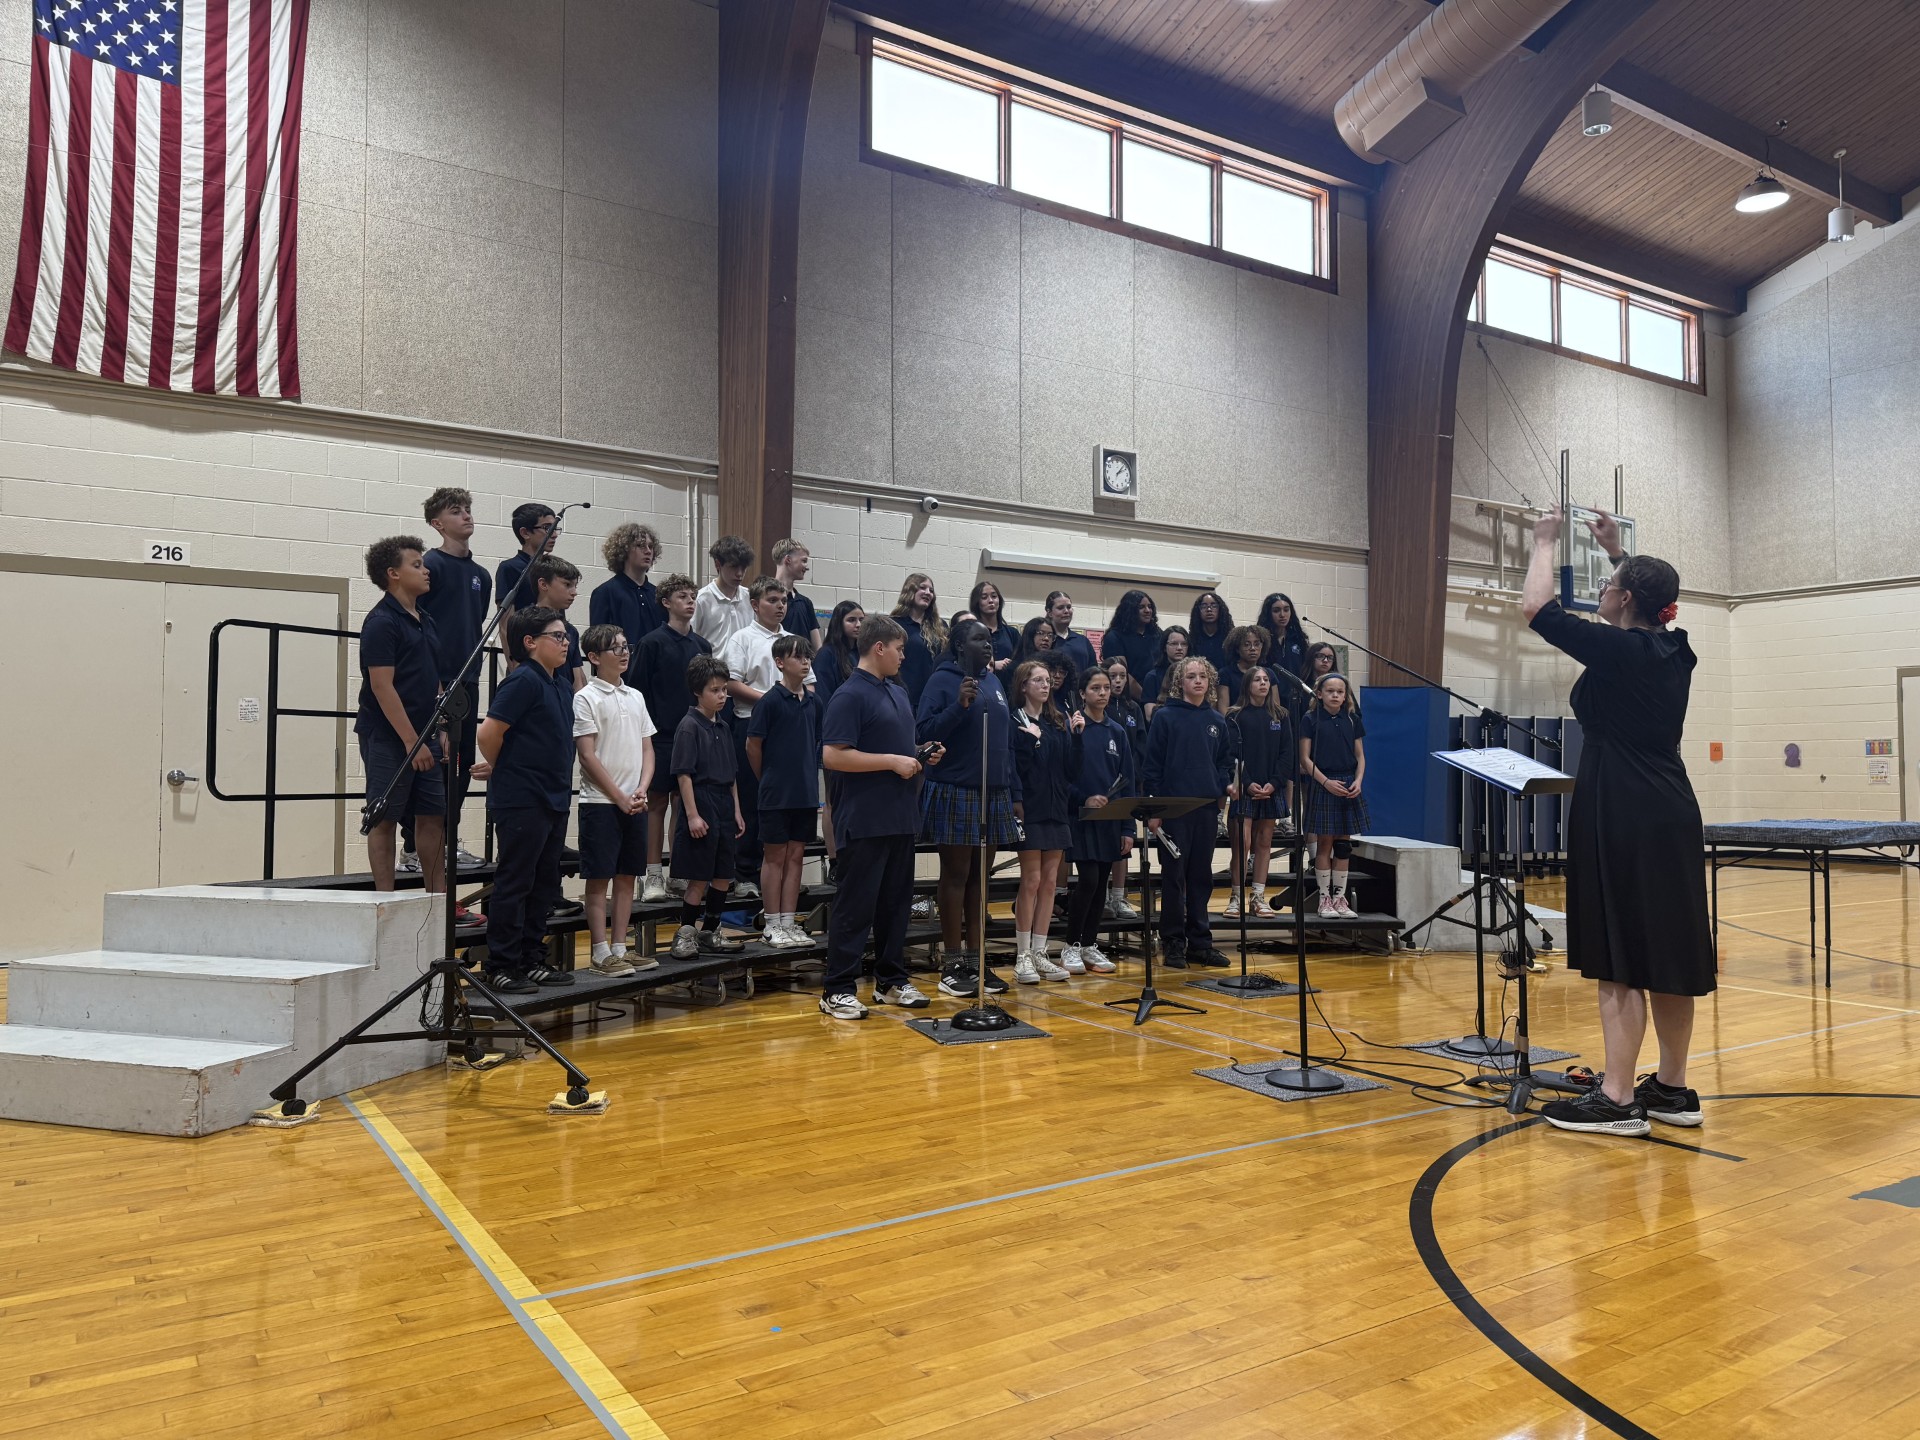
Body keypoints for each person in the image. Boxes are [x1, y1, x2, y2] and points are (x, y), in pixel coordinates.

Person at [1523, 509, 1711, 1138]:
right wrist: (1615, 553)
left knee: (1621, 957)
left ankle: (1617, 1098)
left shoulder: (1622, 650)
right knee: (1669, 953)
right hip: (1670, 809)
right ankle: (1673, 1090)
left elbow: (1537, 609)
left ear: (1626, 599)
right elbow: (1641, 602)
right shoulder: (1671, 647)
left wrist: (1545, 542)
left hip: (1622, 808)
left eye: (1609, 586)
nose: (1602, 592)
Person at [819, 615, 940, 1019]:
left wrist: (920, 753)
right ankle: (837, 988)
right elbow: (833, 755)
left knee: (896, 906)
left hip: (901, 816)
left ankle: (891, 980)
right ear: (879, 648)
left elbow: (898, 748)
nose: (904, 656)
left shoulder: (898, 692)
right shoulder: (849, 695)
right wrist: (891, 761)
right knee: (856, 907)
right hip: (865, 818)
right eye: (900, 649)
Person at [474, 606, 577, 994]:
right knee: (515, 882)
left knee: (543, 883)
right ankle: (501, 964)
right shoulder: (522, 681)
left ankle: (532, 958)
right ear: (530, 642)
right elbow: (488, 733)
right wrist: (504, 766)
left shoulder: (560, 684)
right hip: (522, 798)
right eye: (557, 636)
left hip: (554, 798)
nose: (565, 643)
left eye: (566, 636)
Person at [916, 619, 1017, 999]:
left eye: (990, 640)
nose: (988, 645)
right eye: (979, 639)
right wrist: (958, 706)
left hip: (994, 791)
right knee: (956, 875)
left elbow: (1006, 741)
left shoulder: (995, 682)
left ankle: (977, 959)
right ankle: (952, 961)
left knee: (980, 879)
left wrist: (1014, 789)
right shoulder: (941, 681)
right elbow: (924, 732)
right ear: (960, 646)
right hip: (956, 789)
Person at [356, 537, 446, 897]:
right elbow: (382, 686)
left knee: (432, 814)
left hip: (425, 734)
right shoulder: (381, 622)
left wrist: (440, 728)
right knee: (385, 816)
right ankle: (385, 901)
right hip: (390, 736)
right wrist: (412, 741)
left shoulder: (426, 619)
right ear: (393, 574)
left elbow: (434, 678)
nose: (426, 570)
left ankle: (437, 899)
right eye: (417, 565)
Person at [573, 624, 657, 977]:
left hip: (634, 802)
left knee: (626, 877)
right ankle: (600, 952)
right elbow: (587, 755)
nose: (624, 653)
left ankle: (621, 947)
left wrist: (642, 788)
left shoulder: (635, 696)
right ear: (594, 657)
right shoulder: (586, 697)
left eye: (626, 646)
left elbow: (648, 749)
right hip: (600, 803)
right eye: (615, 648)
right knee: (599, 878)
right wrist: (619, 797)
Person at [1138, 657, 1233, 969]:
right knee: (1174, 879)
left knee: (1201, 877)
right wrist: (1155, 809)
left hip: (1205, 810)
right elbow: (1152, 766)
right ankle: (1173, 942)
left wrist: (1224, 786)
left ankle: (1200, 943)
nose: (1198, 681)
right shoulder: (1165, 717)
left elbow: (1223, 762)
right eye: (1191, 676)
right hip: (1174, 810)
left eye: (1202, 676)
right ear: (1181, 682)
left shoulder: (1217, 721)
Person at [416, 488, 489, 876]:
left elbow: (474, 622)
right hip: (437, 681)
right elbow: (422, 623)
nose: (466, 516)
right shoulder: (431, 565)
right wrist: (435, 682)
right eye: (456, 511)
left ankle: (448, 841)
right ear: (437, 523)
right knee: (434, 764)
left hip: (468, 680)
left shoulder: (481, 575)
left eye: (468, 510)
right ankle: (415, 847)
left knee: (461, 765)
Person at [631, 573, 711, 903]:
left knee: (683, 802)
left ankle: (678, 870)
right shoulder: (651, 643)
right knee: (656, 803)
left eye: (693, 596)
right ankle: (652, 874)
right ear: (666, 602)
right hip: (660, 736)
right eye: (682, 596)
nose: (690, 602)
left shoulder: (702, 647)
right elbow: (636, 691)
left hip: (692, 737)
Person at [667, 656, 748, 960]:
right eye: (715, 690)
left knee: (723, 875)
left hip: (724, 803)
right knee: (699, 876)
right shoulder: (689, 726)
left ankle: (710, 931)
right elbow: (683, 775)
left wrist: (736, 810)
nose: (722, 695)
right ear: (697, 692)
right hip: (701, 801)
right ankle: (685, 933)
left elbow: (732, 775)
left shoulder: (723, 727)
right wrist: (692, 815)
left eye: (724, 689)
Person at [747, 634, 823, 948]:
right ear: (780, 662)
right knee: (775, 857)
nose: (805, 662)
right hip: (776, 794)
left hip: (805, 793)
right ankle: (772, 923)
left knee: (796, 857)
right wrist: (767, 778)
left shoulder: (815, 702)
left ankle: (790, 922)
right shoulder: (769, 702)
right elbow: (753, 746)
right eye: (797, 657)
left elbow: (815, 742)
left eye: (807, 657)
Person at [716, 576, 789, 901]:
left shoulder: (792, 641)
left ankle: (777, 874)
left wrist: (791, 701)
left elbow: (809, 683)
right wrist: (774, 700)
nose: (780, 606)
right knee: (751, 800)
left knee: (782, 803)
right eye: (773, 600)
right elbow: (732, 684)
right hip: (751, 725)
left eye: (783, 601)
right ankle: (744, 873)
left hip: (787, 730)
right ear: (755, 605)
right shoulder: (742, 638)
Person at [1009, 658, 1080, 983]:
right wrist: (1027, 740)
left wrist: (1078, 737)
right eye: (1038, 680)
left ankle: (1040, 952)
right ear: (1023, 685)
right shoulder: (1015, 721)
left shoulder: (1057, 721)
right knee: (1032, 880)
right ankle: (1022, 955)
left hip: (1057, 809)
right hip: (1031, 809)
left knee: (1051, 882)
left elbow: (1071, 770)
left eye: (1047, 681)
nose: (1045, 685)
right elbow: (1015, 768)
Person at [1062, 665, 1130, 976]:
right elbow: (1064, 776)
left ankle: (1089, 944)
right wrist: (1084, 799)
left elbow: (1127, 780)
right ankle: (1071, 945)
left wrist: (1127, 827)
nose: (1103, 693)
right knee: (1088, 880)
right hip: (1080, 817)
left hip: (1110, 820)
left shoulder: (1117, 732)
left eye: (1106, 688)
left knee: (1102, 882)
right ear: (1082, 693)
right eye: (1095, 688)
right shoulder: (1073, 728)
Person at [1224, 666, 1293, 920]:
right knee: (1241, 844)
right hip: (1245, 789)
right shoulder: (1235, 715)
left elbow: (1287, 753)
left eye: (1266, 680)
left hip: (1271, 788)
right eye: (1257, 680)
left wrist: (1274, 783)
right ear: (1247, 685)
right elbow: (1230, 754)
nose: (1263, 683)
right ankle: (1235, 897)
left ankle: (1258, 897)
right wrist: (1247, 782)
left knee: (1264, 843)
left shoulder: (1280, 715)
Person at [1298, 672, 1367, 919]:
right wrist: (1326, 782)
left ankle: (1339, 898)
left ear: (1345, 695)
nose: (1335, 695)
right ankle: (1324, 898)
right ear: (1319, 694)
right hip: (1324, 782)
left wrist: (1358, 781)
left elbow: (1360, 756)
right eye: (1330, 691)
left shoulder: (1352, 719)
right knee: (1325, 844)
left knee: (1343, 845)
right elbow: (1305, 758)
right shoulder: (1310, 719)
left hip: (1347, 783)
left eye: (1340, 692)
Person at [588, 523, 665, 683]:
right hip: (621, 679)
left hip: (657, 678)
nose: (648, 551)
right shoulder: (605, 593)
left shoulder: (659, 595)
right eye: (640, 545)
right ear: (624, 550)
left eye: (650, 546)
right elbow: (597, 643)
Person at [1099, 655, 1145, 920]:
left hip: (1127, 785)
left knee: (1124, 842)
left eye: (1122, 676)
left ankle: (1119, 896)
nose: (1117, 681)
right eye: (1112, 676)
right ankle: (1103, 896)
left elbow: (1141, 747)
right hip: (1102, 786)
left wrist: (1137, 780)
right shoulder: (1099, 709)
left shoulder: (1133, 708)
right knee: (1102, 843)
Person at [494, 502, 557, 657]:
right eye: (547, 528)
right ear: (525, 533)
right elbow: (506, 625)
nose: (554, 534)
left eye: (555, 528)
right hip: (526, 656)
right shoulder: (510, 568)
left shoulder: (555, 569)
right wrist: (514, 663)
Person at [529, 555, 588, 691]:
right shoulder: (525, 624)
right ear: (543, 584)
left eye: (575, 586)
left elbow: (578, 680)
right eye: (567, 585)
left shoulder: (571, 631)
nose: (574, 592)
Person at [891, 572, 944, 707]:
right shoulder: (895, 624)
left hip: (933, 698)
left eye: (931, 590)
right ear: (910, 590)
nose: (928, 592)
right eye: (922, 587)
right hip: (904, 697)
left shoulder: (940, 626)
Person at [694, 534, 755, 650]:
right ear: (718, 564)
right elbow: (692, 639)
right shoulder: (701, 599)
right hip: (712, 661)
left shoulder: (750, 598)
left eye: (743, 568)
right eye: (734, 567)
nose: (740, 574)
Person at [1101, 590, 1161, 702]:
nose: (1147, 610)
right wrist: (1147, 699)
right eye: (1141, 607)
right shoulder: (1115, 637)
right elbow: (1121, 674)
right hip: (1130, 700)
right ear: (1129, 610)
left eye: (1149, 606)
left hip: (1157, 697)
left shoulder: (1157, 634)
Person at [770, 539, 822, 648]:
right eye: (803, 561)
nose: (806, 567)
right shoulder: (764, 599)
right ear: (788, 560)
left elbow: (818, 648)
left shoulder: (805, 603)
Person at [812, 600, 864, 708]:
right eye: (851, 620)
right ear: (839, 623)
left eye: (861, 620)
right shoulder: (826, 654)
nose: (858, 625)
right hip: (837, 713)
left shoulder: (864, 652)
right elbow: (822, 694)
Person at [1257, 592, 1310, 689]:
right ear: (1268, 613)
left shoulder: (1298, 639)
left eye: (1286, 610)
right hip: (1269, 692)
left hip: (1295, 694)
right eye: (1276, 611)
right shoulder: (1261, 639)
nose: (1282, 615)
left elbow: (1305, 669)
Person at [1217, 624, 1272, 711]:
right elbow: (1223, 709)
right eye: (1246, 645)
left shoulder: (1269, 673)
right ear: (1237, 649)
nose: (1253, 648)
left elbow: (1275, 709)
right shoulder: (1225, 674)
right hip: (1235, 718)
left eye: (1257, 644)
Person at [1042, 591, 1098, 676]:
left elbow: (1094, 673)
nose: (1066, 611)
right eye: (1060, 608)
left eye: (1069, 607)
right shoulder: (1044, 641)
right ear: (1049, 612)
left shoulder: (1083, 641)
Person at [968, 580, 1018, 673]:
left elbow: (1022, 661)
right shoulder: (970, 632)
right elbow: (965, 661)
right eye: (984, 597)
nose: (991, 601)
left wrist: (1010, 664)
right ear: (977, 603)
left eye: (994, 596)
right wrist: (993, 665)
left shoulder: (1012, 633)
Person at [1141, 625, 1191, 719]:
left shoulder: (1194, 675)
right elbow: (1149, 715)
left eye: (1184, 644)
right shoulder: (1152, 676)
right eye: (1174, 644)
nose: (1179, 648)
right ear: (1164, 647)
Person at [1187, 591, 1234, 671]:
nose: (1209, 609)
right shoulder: (1192, 639)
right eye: (1204, 606)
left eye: (1214, 606)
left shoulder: (1230, 638)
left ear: (1220, 609)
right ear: (1198, 611)